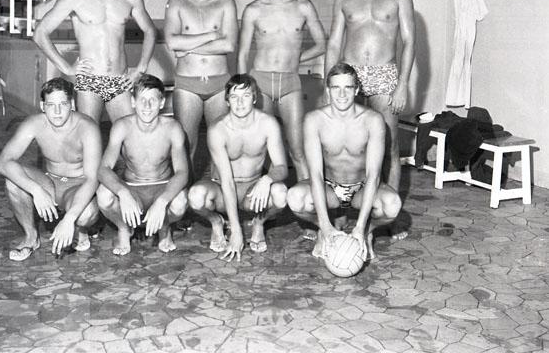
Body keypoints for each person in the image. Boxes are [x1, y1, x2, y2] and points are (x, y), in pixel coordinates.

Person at [325, 0, 414, 239]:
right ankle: (342, 211)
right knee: (346, 145)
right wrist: (328, 84)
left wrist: (402, 84)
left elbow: (409, 41)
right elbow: (333, 43)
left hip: (384, 74)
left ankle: (390, 217)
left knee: (389, 146)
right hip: (349, 75)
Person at [34, 0, 156, 124]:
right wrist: (66, 67)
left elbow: (150, 30)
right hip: (89, 81)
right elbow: (40, 33)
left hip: (119, 79)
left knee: (129, 136)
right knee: (88, 136)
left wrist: (140, 69)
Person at [287, 63, 401, 260]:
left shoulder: (372, 120)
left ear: (356, 90)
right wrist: (325, 226)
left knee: (392, 204)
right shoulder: (314, 120)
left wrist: (360, 227)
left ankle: (368, 232)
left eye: (348, 87)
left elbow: (374, 176)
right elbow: (315, 175)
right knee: (295, 197)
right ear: (328, 90)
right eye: (336, 87)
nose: (341, 94)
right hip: (329, 187)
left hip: (362, 188)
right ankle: (325, 229)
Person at [238, 0, 326, 181]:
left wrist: (296, 59)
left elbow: (322, 45)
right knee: (263, 148)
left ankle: (306, 197)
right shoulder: (253, 10)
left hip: (290, 82)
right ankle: (267, 197)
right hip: (260, 82)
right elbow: (242, 53)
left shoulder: (303, 7)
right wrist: (241, 88)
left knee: (297, 149)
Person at [0, 77, 101, 260]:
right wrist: (36, 190)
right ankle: (31, 237)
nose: (57, 112)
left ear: (72, 104)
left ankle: (80, 229)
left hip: (78, 186)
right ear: (43, 106)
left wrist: (69, 219)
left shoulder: (87, 127)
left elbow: (92, 179)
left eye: (63, 104)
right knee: (13, 179)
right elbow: (3, 163)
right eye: (51, 105)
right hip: (50, 181)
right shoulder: (34, 124)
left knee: (86, 214)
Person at [188, 74, 288, 260]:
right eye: (234, 97)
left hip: (252, 190)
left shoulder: (268, 124)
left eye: (246, 96)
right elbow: (227, 181)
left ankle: (259, 222)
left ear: (255, 98)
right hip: (221, 188)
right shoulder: (218, 129)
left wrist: (267, 179)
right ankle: (217, 222)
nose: (240, 103)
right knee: (196, 196)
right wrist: (236, 231)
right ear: (227, 101)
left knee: (281, 194)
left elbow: (282, 166)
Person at [97, 74, 189, 255]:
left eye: (153, 100)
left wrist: (162, 201)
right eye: (142, 100)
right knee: (103, 195)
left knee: (180, 201)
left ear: (162, 103)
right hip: (132, 187)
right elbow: (103, 169)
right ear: (133, 102)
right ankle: (124, 228)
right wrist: (123, 192)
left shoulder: (173, 128)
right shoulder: (122, 126)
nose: (147, 106)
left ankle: (164, 228)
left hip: (162, 186)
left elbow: (182, 172)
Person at [164, 0, 238, 171]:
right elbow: (172, 42)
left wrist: (186, 47)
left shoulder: (225, 3)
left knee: (221, 147)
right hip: (187, 83)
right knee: (185, 146)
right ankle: (184, 191)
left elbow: (229, 45)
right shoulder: (176, 2)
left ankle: (220, 190)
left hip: (219, 83)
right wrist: (211, 35)